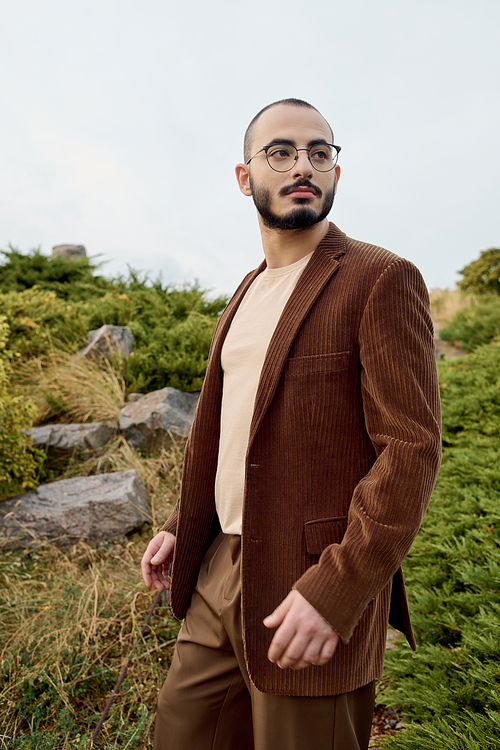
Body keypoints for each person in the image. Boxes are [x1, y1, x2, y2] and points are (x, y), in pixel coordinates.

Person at [141, 98, 442, 750]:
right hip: (219, 569)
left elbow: (410, 452)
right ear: (246, 177)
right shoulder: (243, 295)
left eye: (319, 152)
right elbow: (233, 433)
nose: (303, 165)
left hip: (310, 580)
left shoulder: (381, 279)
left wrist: (338, 590)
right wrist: (177, 523)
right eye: (280, 151)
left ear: (335, 171)